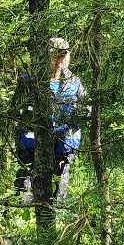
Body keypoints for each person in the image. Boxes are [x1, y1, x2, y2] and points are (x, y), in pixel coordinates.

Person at [16, 36, 85, 203]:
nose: (59, 59)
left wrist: (73, 123)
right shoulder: (29, 80)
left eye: (63, 54)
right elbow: (15, 112)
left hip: (64, 147)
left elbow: (85, 109)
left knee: (58, 197)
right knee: (23, 197)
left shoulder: (74, 82)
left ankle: (55, 222)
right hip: (32, 147)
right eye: (55, 55)